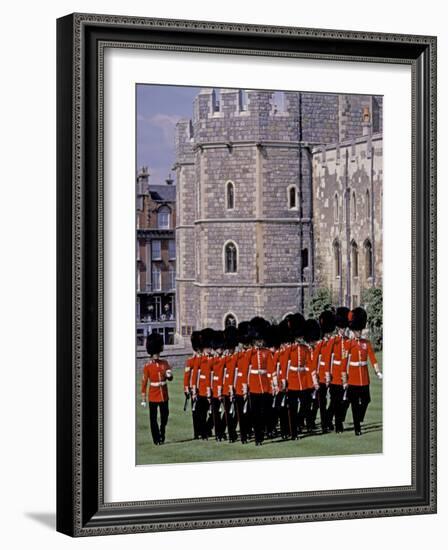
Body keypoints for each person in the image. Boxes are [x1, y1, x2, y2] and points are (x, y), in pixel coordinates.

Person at [346, 307, 383, 435]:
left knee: (366, 400)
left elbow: (372, 358)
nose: (359, 332)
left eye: (360, 330)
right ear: (353, 330)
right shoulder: (349, 344)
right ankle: (357, 429)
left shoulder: (366, 343)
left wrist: (377, 371)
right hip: (353, 378)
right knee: (355, 404)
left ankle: (360, 417)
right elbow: (345, 361)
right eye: (357, 330)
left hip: (364, 377)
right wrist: (344, 379)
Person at [280, 313, 313, 439]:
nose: (300, 337)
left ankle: (299, 422)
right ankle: (294, 433)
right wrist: (283, 380)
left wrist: (312, 379)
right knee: (292, 408)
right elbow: (284, 365)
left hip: (303, 380)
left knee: (305, 404)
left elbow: (309, 365)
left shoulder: (305, 349)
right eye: (298, 335)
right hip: (292, 380)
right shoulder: (289, 349)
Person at [244, 317, 275, 446]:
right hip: (254, 386)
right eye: (258, 340)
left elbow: (271, 369)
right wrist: (245, 387)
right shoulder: (249, 353)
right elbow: (245, 371)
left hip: (265, 386)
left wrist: (274, 384)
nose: (260, 342)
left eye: (261, 340)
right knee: (256, 414)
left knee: (264, 413)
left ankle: (261, 434)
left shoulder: (267, 352)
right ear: (254, 340)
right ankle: (258, 438)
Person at [140, 332, 173, 445]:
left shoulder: (164, 363)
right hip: (153, 395)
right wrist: (143, 398)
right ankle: (156, 439)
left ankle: (162, 430)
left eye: (158, 352)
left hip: (163, 394)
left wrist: (169, 376)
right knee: (153, 419)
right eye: (155, 352)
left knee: (165, 415)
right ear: (151, 352)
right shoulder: (147, 366)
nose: (157, 354)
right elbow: (144, 382)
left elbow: (170, 376)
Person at [326, 307, 351, 433]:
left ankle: (330, 419)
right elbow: (327, 358)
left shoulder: (347, 341)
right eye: (341, 328)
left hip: (345, 376)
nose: (343, 330)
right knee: (335, 401)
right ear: (338, 328)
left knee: (344, 401)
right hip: (334, 375)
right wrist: (327, 375)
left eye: (344, 328)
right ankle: (337, 425)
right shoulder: (333, 341)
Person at [191, 328, 215, 439]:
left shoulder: (214, 359)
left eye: (210, 347)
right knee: (202, 413)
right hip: (201, 390)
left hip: (213, 389)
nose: (210, 349)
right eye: (208, 347)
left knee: (214, 413)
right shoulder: (199, 360)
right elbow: (195, 375)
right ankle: (203, 432)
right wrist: (194, 389)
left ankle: (206, 429)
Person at [316, 310, 336, 432]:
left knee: (335, 399)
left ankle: (328, 419)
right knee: (322, 402)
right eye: (327, 332)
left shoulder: (334, 343)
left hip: (333, 374)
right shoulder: (320, 344)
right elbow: (316, 362)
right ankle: (324, 424)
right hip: (322, 375)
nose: (329, 334)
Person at [234, 321, 253, 444]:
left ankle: (249, 431)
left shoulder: (252, 353)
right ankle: (244, 434)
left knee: (250, 412)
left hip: (252, 385)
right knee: (241, 413)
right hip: (240, 386)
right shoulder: (238, 355)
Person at [184, 331, 202, 439]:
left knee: (204, 411)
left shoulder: (203, 359)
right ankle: (197, 432)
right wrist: (186, 389)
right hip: (194, 389)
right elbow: (187, 376)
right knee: (195, 411)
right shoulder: (190, 360)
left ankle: (204, 430)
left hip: (203, 387)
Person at [222, 326, 239, 442]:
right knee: (228, 412)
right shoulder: (224, 358)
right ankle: (231, 434)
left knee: (237, 412)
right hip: (226, 388)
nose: (231, 349)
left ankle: (232, 432)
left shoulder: (237, 357)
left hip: (237, 387)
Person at [210, 330, 227, 441]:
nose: (221, 350)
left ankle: (222, 430)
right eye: (219, 348)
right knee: (216, 412)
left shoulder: (225, 359)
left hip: (225, 388)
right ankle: (218, 433)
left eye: (222, 348)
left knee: (227, 411)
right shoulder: (212, 360)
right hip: (215, 388)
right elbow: (210, 377)